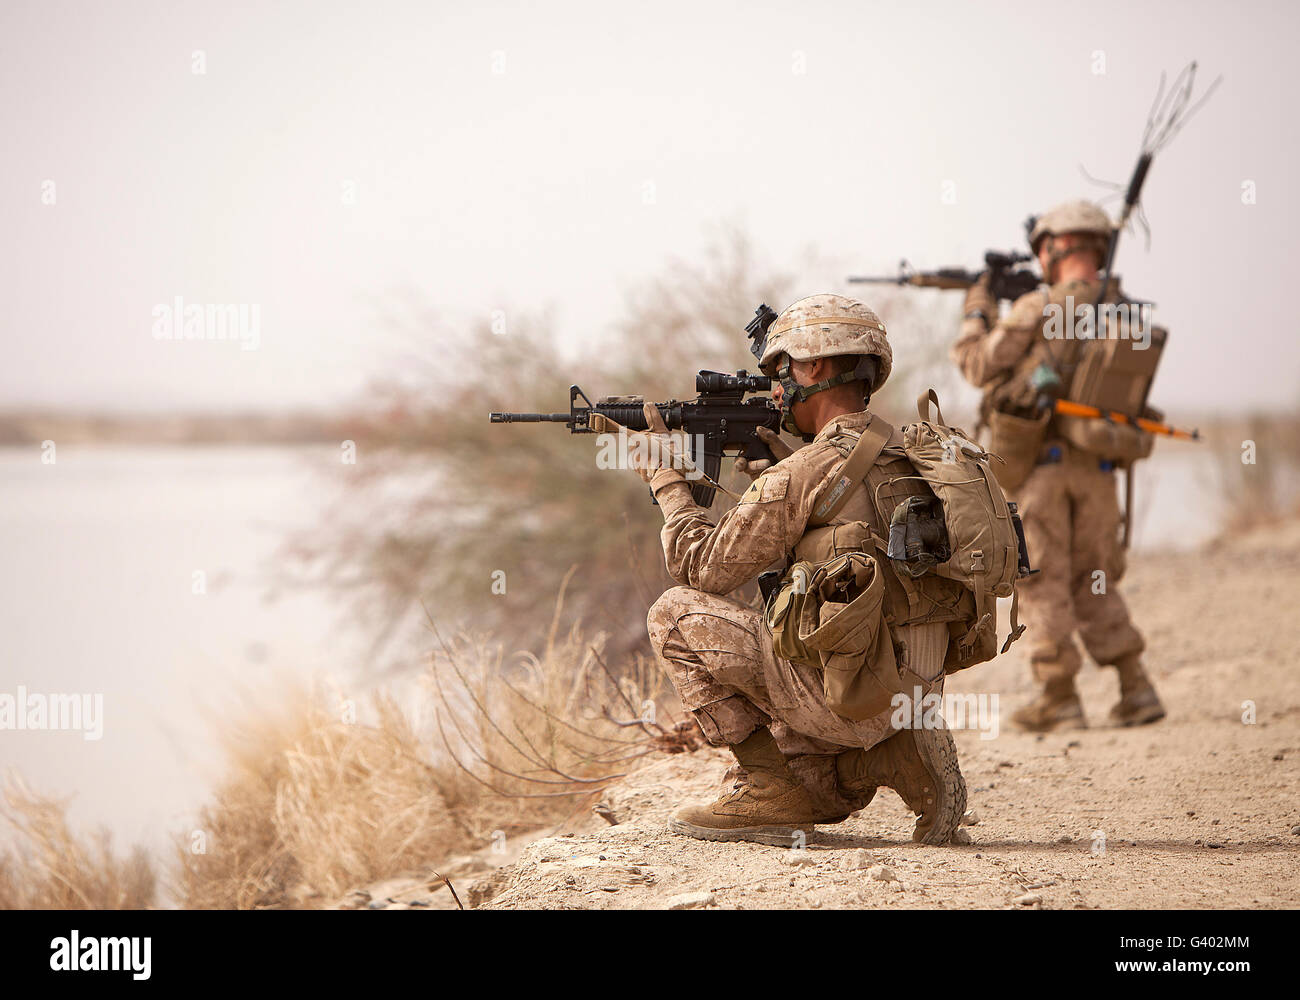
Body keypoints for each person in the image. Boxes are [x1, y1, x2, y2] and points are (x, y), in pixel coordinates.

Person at [620, 293, 967, 847]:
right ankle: (898, 755)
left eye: (781, 369)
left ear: (815, 366)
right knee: (818, 790)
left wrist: (666, 483)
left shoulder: (801, 474)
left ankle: (765, 786)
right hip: (909, 692)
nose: (776, 389)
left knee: (672, 615)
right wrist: (778, 471)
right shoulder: (906, 455)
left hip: (849, 696)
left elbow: (700, 569)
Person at [950, 200, 1166, 731]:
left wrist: (977, 307)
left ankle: (1059, 697)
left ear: (1054, 248)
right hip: (1097, 471)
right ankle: (1135, 686)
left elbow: (976, 363)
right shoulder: (1122, 310)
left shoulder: (1038, 307)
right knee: (1094, 579)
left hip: (1041, 472)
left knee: (1040, 580)